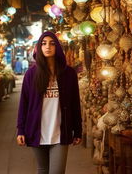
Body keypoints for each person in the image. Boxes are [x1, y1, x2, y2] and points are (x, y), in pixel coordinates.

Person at [17, 31, 82, 174]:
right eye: (44, 43)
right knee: (42, 170)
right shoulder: (31, 74)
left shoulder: (68, 73)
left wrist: (78, 130)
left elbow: (75, 104)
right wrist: (20, 129)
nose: (48, 47)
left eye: (52, 43)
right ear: (39, 47)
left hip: (60, 132)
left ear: (57, 47)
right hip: (36, 130)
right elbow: (24, 104)